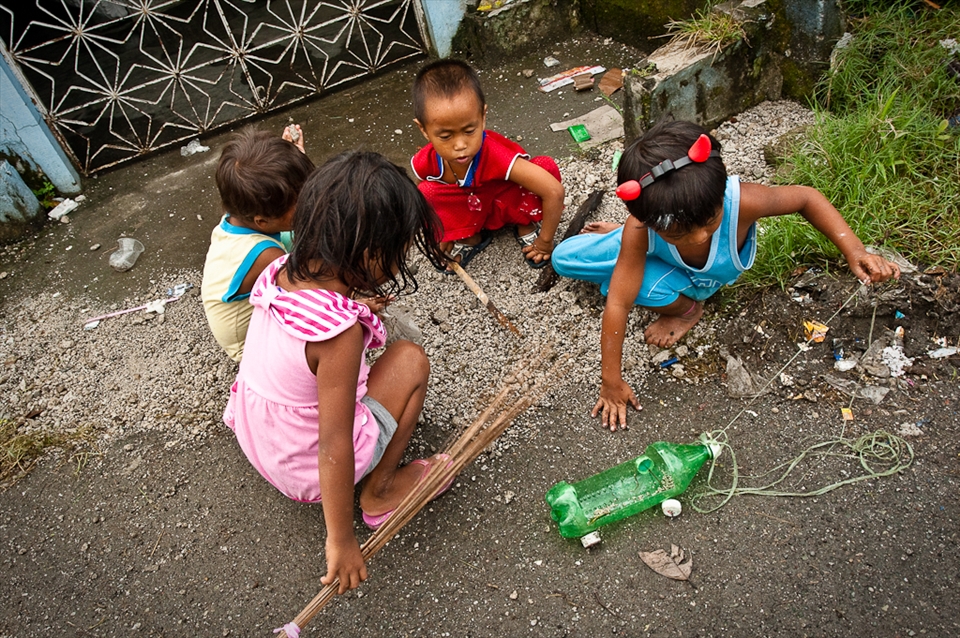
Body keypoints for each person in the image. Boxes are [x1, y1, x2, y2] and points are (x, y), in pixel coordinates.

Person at [552, 120, 901, 431]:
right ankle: (625, 238)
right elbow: (617, 306)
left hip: (694, 280)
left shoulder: (744, 202)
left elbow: (807, 198)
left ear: (720, 197)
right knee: (563, 259)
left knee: (625, 281)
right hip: (643, 236)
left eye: (709, 223)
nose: (701, 237)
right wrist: (610, 381)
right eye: (682, 234)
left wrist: (855, 250)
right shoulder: (641, 226)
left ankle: (686, 310)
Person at [223, 151, 452, 594]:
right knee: (410, 360)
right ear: (368, 252)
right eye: (398, 250)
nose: (400, 259)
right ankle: (380, 492)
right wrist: (341, 540)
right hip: (307, 468)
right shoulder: (338, 334)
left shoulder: (275, 268)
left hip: (261, 439)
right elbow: (333, 441)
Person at [411, 59, 565, 269]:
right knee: (426, 192)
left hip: (503, 199)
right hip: (474, 205)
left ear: (483, 117)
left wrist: (546, 242)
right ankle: (470, 236)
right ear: (423, 130)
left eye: (469, 131)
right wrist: (444, 232)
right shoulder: (426, 161)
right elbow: (433, 203)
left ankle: (525, 224)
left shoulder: (495, 154)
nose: (460, 145)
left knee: (544, 168)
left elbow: (554, 191)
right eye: (445, 136)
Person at [201, 125, 313, 362]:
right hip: (251, 349)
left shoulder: (237, 219)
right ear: (262, 221)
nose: (309, 203)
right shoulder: (267, 255)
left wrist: (296, 161)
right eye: (300, 204)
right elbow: (309, 294)